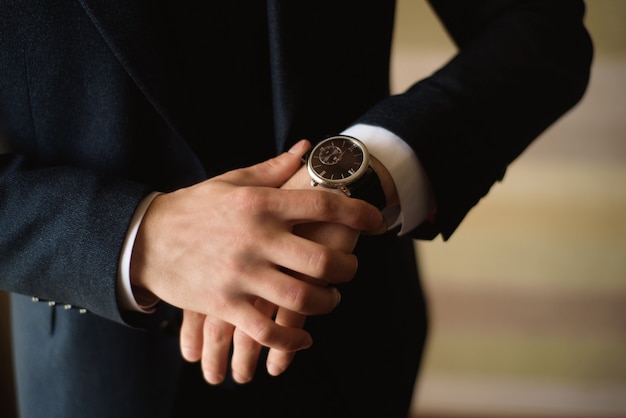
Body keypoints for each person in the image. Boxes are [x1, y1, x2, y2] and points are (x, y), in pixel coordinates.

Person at [0, 1, 592, 417]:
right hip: (91, 361)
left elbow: (540, 27)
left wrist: (363, 169)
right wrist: (139, 237)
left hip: (347, 330)